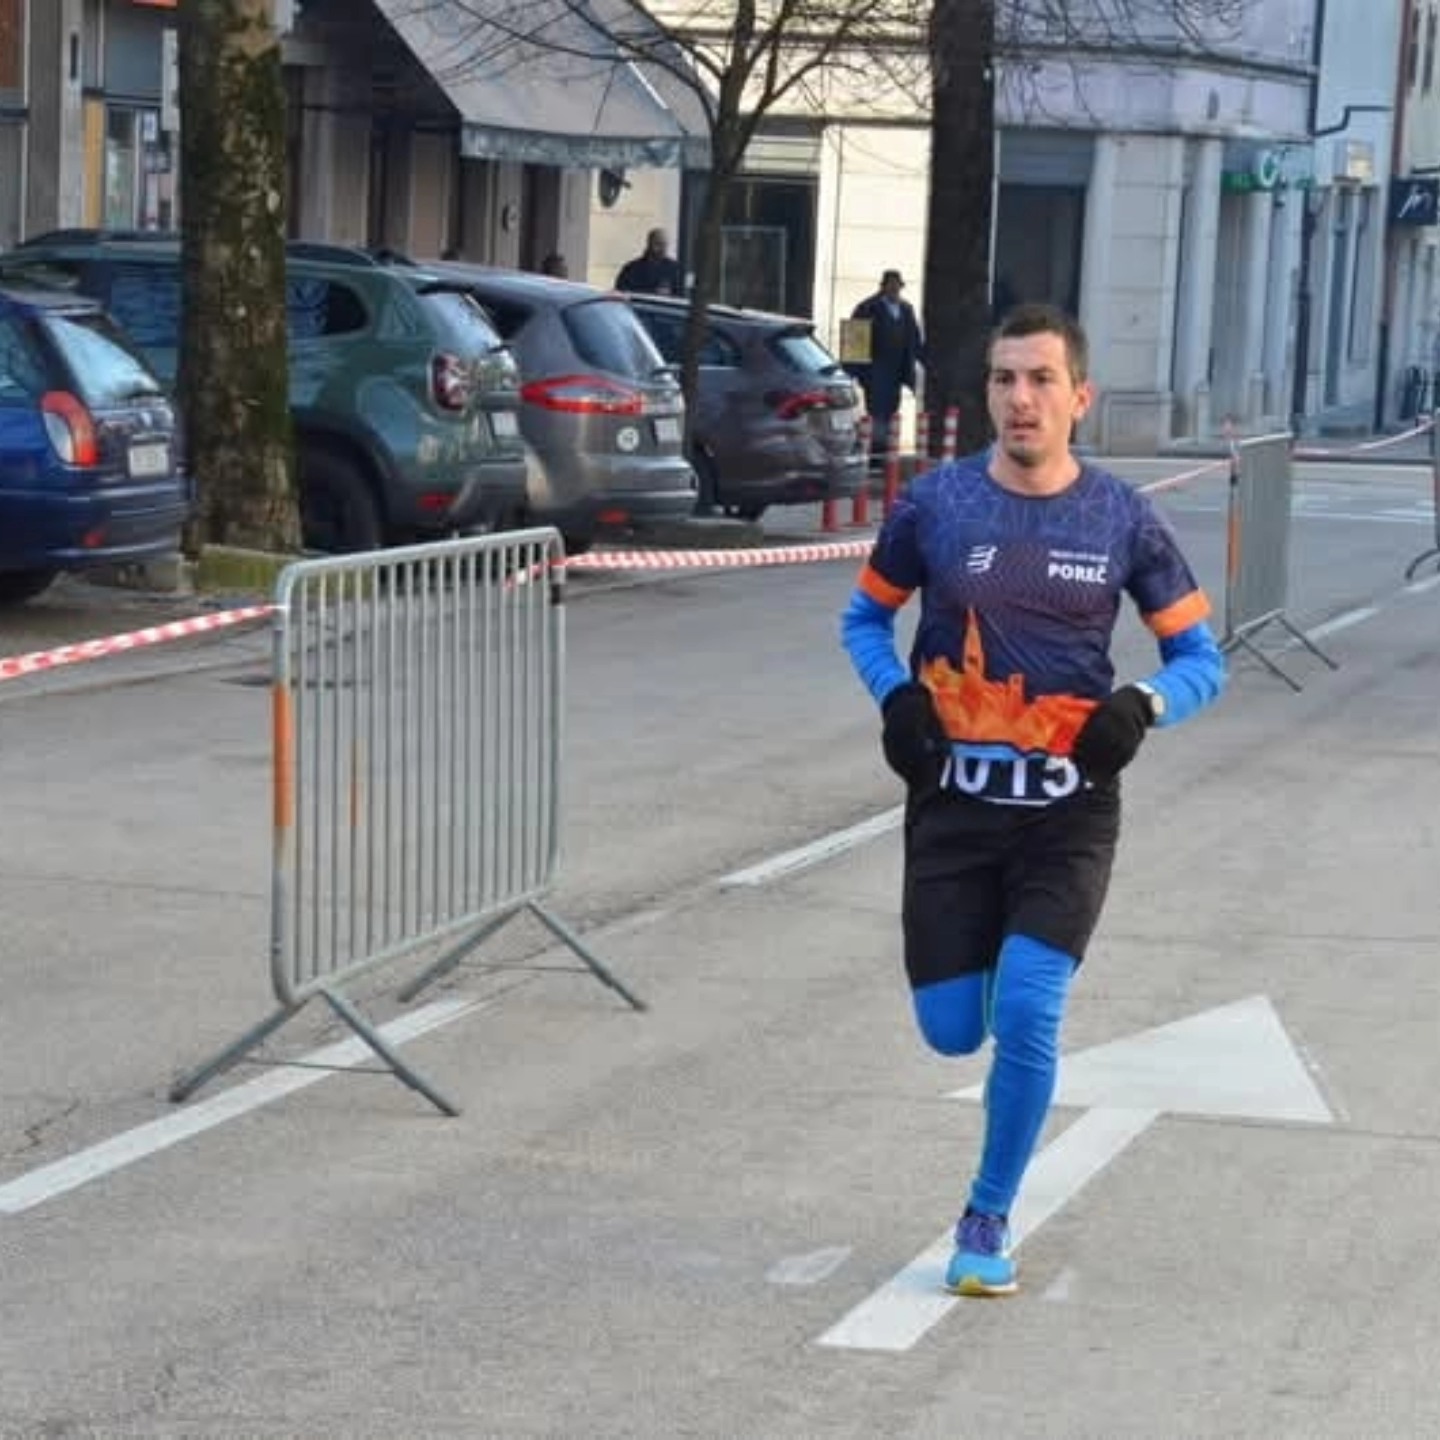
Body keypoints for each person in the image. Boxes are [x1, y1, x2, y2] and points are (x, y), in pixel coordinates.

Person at [840, 303, 1225, 1298]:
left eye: (1042, 379)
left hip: (1068, 811)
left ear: (1079, 397)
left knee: (1027, 1008)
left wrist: (1143, 705)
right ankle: (976, 1018)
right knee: (951, 1030)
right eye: (1005, 378)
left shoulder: (1122, 518)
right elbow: (863, 621)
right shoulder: (938, 505)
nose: (1022, 398)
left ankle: (987, 1215)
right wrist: (896, 700)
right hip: (954, 809)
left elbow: (1202, 659)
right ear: (988, 394)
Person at [846, 269, 924, 462]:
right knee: (876, 412)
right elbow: (854, 340)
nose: (894, 290)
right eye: (891, 286)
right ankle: (875, 454)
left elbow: (914, 340)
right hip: (875, 370)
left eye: (898, 286)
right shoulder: (867, 308)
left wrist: (921, 363)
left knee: (891, 411)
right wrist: (851, 371)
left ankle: (887, 452)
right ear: (883, 287)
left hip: (897, 371)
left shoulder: (906, 309)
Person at [614, 228, 683, 296]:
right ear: (649, 243)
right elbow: (620, 293)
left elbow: (681, 294)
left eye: (665, 245)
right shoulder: (631, 269)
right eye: (658, 244)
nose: (662, 249)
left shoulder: (675, 269)